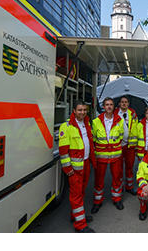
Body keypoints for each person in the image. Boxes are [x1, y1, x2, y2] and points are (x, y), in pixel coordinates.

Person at [58, 100, 96, 233]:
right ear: (74, 111)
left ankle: (76, 215)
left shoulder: (86, 124)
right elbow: (63, 151)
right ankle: (80, 225)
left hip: (85, 164)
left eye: (85, 110)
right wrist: (68, 169)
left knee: (81, 192)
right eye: (80, 110)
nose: (83, 112)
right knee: (76, 195)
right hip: (74, 168)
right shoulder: (66, 126)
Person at [91, 97, 125, 214]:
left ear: (114, 107)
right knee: (99, 179)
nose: (109, 106)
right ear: (104, 107)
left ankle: (117, 199)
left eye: (111, 104)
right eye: (106, 104)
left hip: (116, 155)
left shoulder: (119, 120)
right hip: (101, 156)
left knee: (117, 178)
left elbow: (121, 136)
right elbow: (94, 139)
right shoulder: (96, 121)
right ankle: (97, 201)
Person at [114, 96, 138, 195]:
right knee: (118, 169)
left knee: (129, 167)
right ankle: (119, 188)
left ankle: (129, 186)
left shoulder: (132, 113)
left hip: (130, 146)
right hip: (119, 145)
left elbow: (136, 127)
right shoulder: (115, 113)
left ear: (128, 104)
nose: (124, 104)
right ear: (119, 103)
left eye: (126, 102)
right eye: (122, 102)